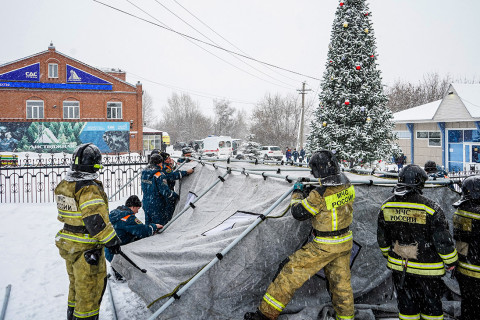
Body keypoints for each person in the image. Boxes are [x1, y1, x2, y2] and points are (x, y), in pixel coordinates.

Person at [245, 150, 356, 320]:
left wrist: (297, 193)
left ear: (317, 170)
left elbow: (298, 213)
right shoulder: (347, 184)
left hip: (324, 245)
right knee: (341, 285)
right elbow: (331, 201)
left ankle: (265, 315)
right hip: (344, 242)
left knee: (290, 272)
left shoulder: (319, 194)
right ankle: (346, 317)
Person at [377, 164, 458, 320]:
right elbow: (442, 241)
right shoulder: (431, 208)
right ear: (420, 182)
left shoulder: (387, 206)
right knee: (432, 308)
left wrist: (388, 253)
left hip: (400, 268)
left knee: (407, 308)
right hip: (428, 270)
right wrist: (451, 261)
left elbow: (382, 238)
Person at [55, 143, 121, 320]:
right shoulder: (88, 188)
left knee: (76, 286)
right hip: (87, 248)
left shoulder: (65, 184)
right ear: (94, 164)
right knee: (90, 291)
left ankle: (72, 316)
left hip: (70, 245)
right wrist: (112, 241)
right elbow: (95, 221)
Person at [105, 195, 162, 280]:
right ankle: (120, 272)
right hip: (117, 253)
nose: (138, 212)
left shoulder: (117, 213)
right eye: (137, 209)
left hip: (109, 250)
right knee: (139, 240)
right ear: (133, 207)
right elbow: (142, 231)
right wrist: (154, 227)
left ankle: (117, 269)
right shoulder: (128, 218)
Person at [452, 176, 480, 320]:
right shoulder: (476, 214)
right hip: (477, 270)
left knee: (468, 304)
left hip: (464, 268)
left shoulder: (460, 211)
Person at [141, 153, 194, 225]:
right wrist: (175, 196)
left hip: (146, 202)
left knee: (149, 227)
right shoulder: (159, 175)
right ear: (160, 163)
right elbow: (165, 192)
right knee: (160, 226)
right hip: (157, 204)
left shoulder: (144, 172)